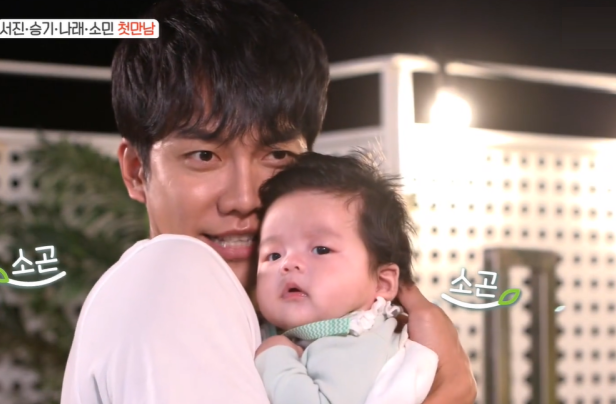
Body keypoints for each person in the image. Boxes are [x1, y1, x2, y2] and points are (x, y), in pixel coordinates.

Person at [61, 0, 476, 403]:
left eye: (277, 155)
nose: (244, 199)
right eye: (204, 156)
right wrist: (450, 392)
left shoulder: (282, 328)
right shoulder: (176, 269)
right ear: (137, 171)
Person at [253, 151, 437, 404]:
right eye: (273, 255)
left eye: (321, 250)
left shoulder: (356, 343)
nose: (288, 263)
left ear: (382, 283)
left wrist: (275, 357)